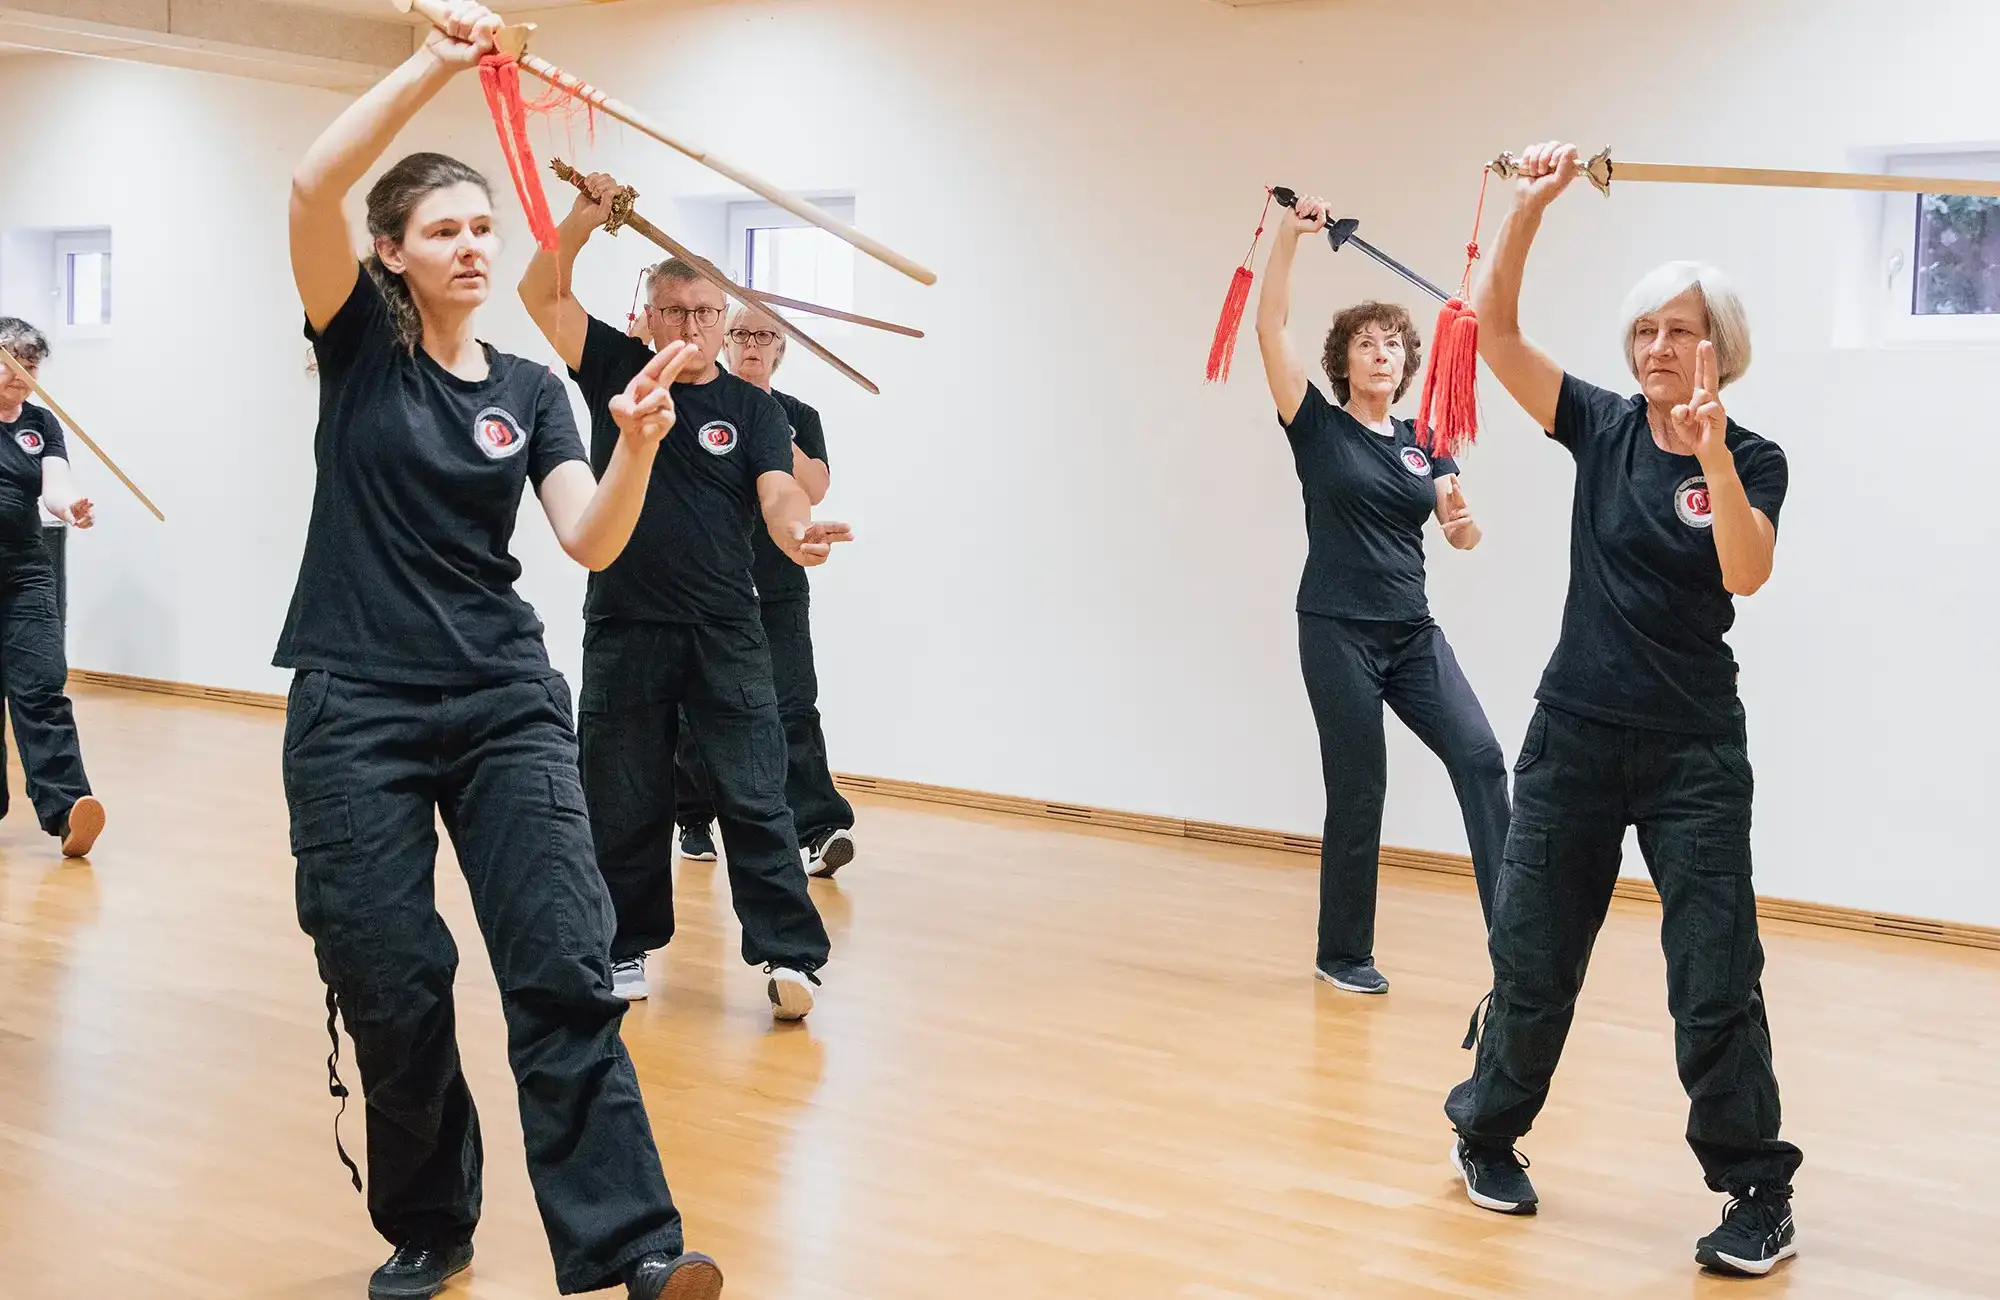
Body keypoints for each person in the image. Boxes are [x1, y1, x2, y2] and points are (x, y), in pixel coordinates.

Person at [282, 6, 723, 1297]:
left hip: (502, 704)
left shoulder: (529, 390)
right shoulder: (357, 348)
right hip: (355, 704)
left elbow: (586, 540)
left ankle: (631, 1246)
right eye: (446, 230)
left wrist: (637, 446)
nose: (474, 247)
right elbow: (312, 181)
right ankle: (433, 1224)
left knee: (562, 970)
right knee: (392, 980)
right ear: (392, 253)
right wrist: (434, 60)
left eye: (485, 226)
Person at [1442, 142, 1800, 1279]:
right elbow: (1492, 336)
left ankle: (1753, 1188)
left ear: (1718, 349)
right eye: (1644, 330)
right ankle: (1485, 1131)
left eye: (1678, 330)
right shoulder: (1594, 426)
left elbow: (1744, 573)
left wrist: (1716, 464)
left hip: (1693, 748)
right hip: (1576, 738)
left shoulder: (1752, 455)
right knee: (1533, 953)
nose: (1656, 346)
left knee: (1712, 974)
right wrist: (1530, 204)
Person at [520, 174, 848, 1016]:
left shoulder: (753, 408)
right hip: (626, 622)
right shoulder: (616, 368)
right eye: (679, 313)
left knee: (754, 790)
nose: (695, 328)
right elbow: (538, 289)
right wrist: (586, 218)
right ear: (650, 314)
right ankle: (621, 947)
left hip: (725, 627)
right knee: (622, 793)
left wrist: (795, 530)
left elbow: (777, 493)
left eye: (709, 314)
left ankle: (788, 955)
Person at [1253, 193, 1509, 995]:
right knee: (1361, 786)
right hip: (1335, 631)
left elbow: (1460, 529)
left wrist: (1465, 524)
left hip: (1410, 634)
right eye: (1367, 344)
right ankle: (1344, 953)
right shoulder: (1315, 425)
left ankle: (1519, 939)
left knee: (1481, 756)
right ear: (1345, 361)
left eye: (1395, 345)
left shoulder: (1425, 441)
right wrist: (1290, 242)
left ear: (1408, 363)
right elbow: (1270, 328)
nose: (1383, 355)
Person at [673, 306, 857, 879]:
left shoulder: (798, 415)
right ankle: (695, 815)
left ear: (781, 348)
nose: (752, 345)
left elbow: (816, 488)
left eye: (765, 336)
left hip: (778, 583)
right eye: (742, 334)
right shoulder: (699, 401)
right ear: (725, 341)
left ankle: (819, 829)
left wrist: (769, 417)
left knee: (794, 702)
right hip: (707, 582)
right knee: (697, 705)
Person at [0, 317, 105, 858]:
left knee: (41, 687)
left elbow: (55, 485)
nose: (22, 374)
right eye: (12, 361)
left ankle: (68, 810)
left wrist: (71, 506)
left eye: (31, 365)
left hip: (25, 574)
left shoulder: (41, 423)